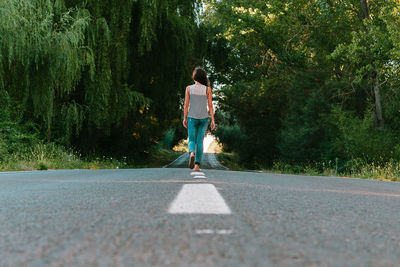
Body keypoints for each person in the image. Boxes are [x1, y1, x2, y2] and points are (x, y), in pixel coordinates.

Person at [183, 67, 215, 171]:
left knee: (192, 139)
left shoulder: (189, 88)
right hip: (204, 118)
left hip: (192, 117)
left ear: (195, 76)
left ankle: (192, 152)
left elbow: (186, 105)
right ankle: (197, 165)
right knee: (200, 141)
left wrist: (184, 118)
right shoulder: (207, 89)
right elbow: (210, 105)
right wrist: (213, 120)